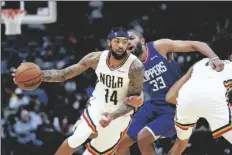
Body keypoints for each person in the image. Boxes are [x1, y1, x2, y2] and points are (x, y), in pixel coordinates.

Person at [13, 27, 145, 155]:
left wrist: (112, 116)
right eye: (117, 41)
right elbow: (63, 74)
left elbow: (132, 103)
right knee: (78, 137)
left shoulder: (136, 67)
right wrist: (39, 75)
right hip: (98, 104)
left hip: (119, 114)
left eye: (124, 41)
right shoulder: (96, 58)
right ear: (109, 43)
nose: (120, 45)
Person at [115, 29, 225, 155]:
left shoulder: (159, 47)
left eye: (131, 38)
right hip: (153, 105)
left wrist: (214, 58)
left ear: (142, 40)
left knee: (143, 138)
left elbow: (197, 44)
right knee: (119, 143)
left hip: (174, 107)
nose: (127, 42)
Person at [165, 41, 232, 155]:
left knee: (180, 144)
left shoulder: (199, 64)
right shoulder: (229, 66)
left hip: (186, 99)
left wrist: (195, 107)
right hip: (214, 100)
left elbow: (170, 97)